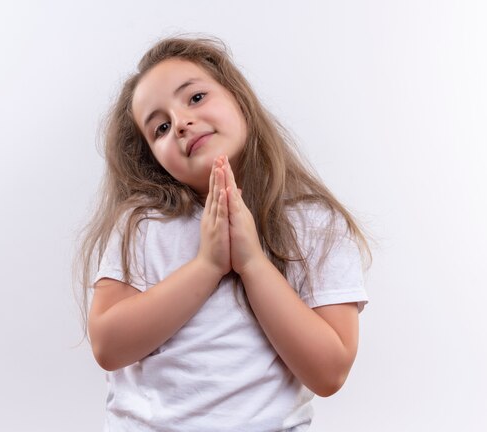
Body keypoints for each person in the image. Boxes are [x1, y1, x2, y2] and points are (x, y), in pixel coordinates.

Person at [76, 36, 372, 431]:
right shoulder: (143, 223)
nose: (180, 123)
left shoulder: (316, 223)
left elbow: (330, 371)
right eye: (160, 127)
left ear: (238, 99)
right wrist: (208, 265)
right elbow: (108, 346)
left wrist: (251, 263)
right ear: (153, 160)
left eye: (195, 98)